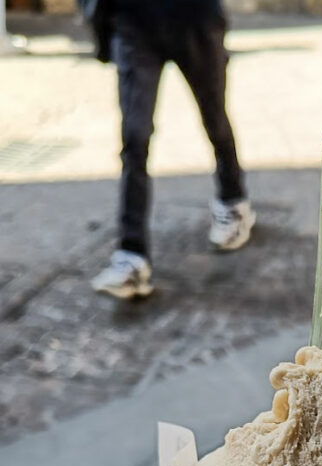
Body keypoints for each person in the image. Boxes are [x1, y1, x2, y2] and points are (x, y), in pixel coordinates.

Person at [82, 0, 254, 300]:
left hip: (193, 17)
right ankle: (131, 253)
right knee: (134, 137)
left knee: (214, 118)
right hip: (133, 22)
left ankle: (233, 199)